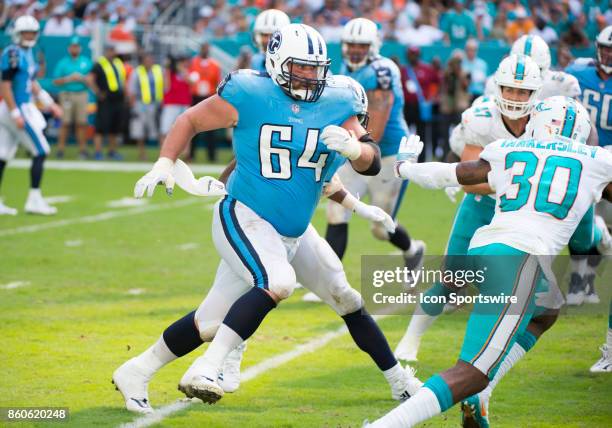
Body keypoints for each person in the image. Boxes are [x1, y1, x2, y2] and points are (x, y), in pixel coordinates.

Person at [112, 24, 422, 413]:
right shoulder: (249, 92)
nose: (310, 76)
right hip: (245, 214)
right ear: (276, 63)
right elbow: (189, 119)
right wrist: (164, 162)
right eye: (301, 67)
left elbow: (371, 161)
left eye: (315, 68)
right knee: (277, 281)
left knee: (336, 299)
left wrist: (354, 149)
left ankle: (136, 371)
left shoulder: (340, 99)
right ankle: (207, 368)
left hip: (294, 230)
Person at [367, 95, 612, 428]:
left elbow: (453, 173)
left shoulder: (509, 150)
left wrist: (404, 166)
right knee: (471, 372)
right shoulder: (597, 159)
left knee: (549, 307)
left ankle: (481, 393)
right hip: (520, 259)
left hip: (484, 249)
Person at [395, 54, 543, 364]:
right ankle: (412, 337)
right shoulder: (483, 117)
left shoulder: (547, 121)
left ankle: (499, 354)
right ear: (497, 88)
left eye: (522, 92)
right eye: (509, 90)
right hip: (482, 204)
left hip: (522, 213)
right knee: (451, 280)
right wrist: (511, 184)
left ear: (535, 94)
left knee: (534, 289)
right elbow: (468, 178)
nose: (514, 98)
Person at [325, 18, 425, 279]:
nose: (355, 49)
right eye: (351, 44)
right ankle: (329, 279)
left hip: (389, 153)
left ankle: (413, 250)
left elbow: (375, 131)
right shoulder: (344, 67)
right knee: (337, 210)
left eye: (362, 45)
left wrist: (348, 147)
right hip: (356, 148)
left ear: (373, 46)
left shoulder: (382, 70)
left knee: (381, 228)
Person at [566, 25, 612, 373]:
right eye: (604, 48)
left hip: (609, 163)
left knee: (601, 224)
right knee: (577, 222)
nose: (607, 55)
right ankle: (582, 281)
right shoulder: (578, 73)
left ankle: (587, 277)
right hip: (583, 159)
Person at [0, 15, 62, 216]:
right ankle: (34, 200)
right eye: (26, 32)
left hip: (17, 108)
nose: (29, 36)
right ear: (18, 33)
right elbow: (5, 85)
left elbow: (32, 83)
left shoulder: (28, 53)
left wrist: (49, 103)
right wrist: (15, 112)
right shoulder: (12, 53)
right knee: (41, 151)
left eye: (32, 32)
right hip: (15, 108)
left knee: (2, 155)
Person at [52, 36, 92, 159]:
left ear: (80, 48)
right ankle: (60, 149)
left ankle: (82, 150)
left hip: (82, 94)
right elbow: (56, 81)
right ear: (69, 48)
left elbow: (91, 81)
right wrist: (69, 78)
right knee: (65, 122)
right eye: (72, 46)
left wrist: (82, 78)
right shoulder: (63, 63)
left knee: (82, 123)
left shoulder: (86, 61)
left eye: (77, 46)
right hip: (67, 94)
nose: (75, 49)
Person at [400, 46, 440, 162]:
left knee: (422, 135)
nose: (413, 57)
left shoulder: (427, 69)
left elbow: (437, 83)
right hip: (407, 106)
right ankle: (404, 160)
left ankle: (421, 160)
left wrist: (431, 97)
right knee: (405, 133)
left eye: (415, 54)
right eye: (411, 54)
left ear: (419, 55)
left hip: (421, 107)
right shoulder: (403, 70)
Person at [87, 44, 126, 160]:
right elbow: (89, 79)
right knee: (101, 126)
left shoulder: (118, 63)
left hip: (118, 99)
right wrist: (98, 92)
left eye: (113, 50)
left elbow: (122, 80)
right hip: (106, 100)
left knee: (114, 127)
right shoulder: (99, 63)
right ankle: (98, 152)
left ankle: (112, 151)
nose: (112, 52)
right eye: (110, 50)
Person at [187, 43, 222, 161]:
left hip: (209, 98)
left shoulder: (215, 65)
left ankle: (212, 156)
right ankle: (191, 155)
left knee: (211, 128)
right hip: (196, 97)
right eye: (203, 48)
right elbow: (190, 79)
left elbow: (217, 83)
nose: (205, 51)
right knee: (193, 126)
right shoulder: (193, 62)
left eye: (207, 48)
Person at [128, 52, 164, 160]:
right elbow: (132, 89)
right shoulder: (137, 72)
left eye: (151, 60)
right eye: (147, 60)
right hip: (141, 104)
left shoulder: (158, 70)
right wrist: (133, 105)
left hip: (156, 104)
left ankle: (161, 155)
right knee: (140, 130)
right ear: (142, 61)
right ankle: (142, 153)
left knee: (159, 130)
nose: (149, 62)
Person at [159, 55, 192, 147]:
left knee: (185, 130)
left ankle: (186, 154)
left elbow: (191, 82)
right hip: (171, 105)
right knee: (165, 129)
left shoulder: (186, 72)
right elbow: (166, 87)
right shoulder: (169, 73)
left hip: (184, 104)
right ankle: (163, 153)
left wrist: (182, 70)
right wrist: (168, 70)